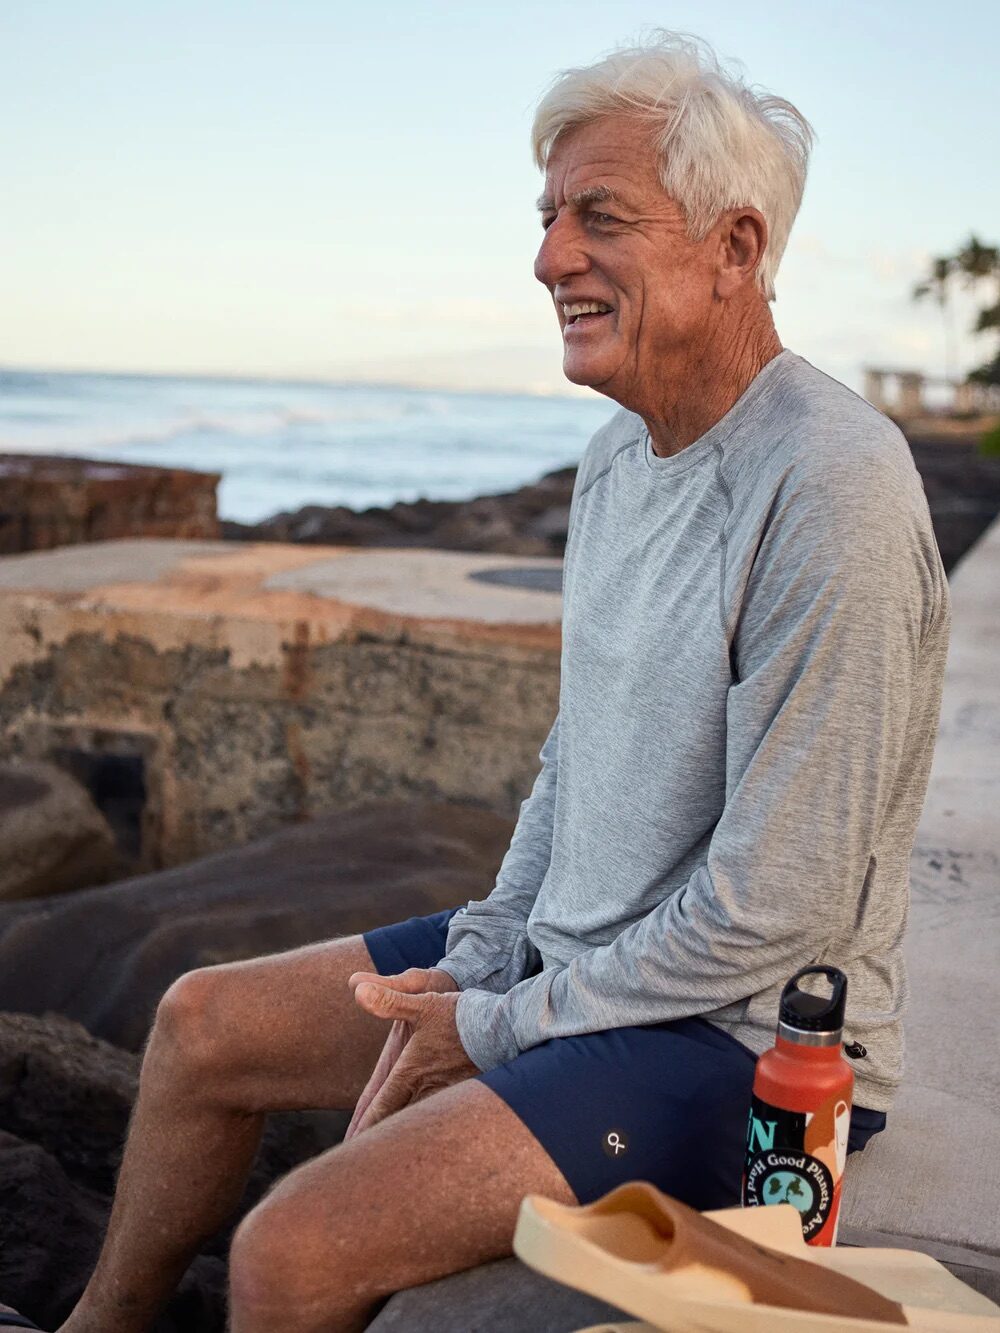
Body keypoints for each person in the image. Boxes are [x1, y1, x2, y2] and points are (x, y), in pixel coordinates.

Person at [32, 29, 948, 1333]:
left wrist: (501, 1022)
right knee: (197, 1024)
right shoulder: (615, 461)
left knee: (293, 1251)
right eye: (548, 217)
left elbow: (778, 910)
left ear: (735, 249)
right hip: (576, 966)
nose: (549, 257)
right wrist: (481, 955)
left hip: (746, 1042)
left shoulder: (831, 486)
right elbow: (574, 761)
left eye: (601, 216)